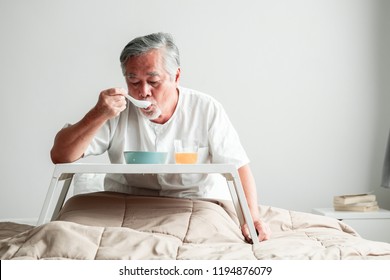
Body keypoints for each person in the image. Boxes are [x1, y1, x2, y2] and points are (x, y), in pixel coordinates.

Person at [50, 32, 271, 242]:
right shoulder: (114, 110)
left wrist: (251, 218)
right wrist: (96, 114)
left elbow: (239, 167)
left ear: (176, 77)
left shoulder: (206, 109)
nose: (143, 91)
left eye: (153, 81)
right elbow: (61, 155)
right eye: (133, 81)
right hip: (124, 202)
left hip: (193, 203)